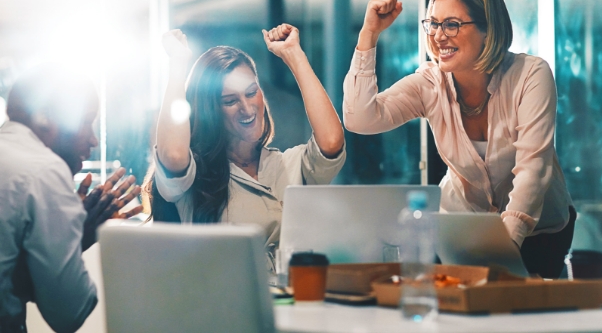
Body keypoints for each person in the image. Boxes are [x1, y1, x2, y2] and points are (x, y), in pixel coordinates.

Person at [343, 0, 575, 278]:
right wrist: (369, 34)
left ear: (487, 30)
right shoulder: (429, 83)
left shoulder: (530, 74)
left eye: (452, 24)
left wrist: (502, 250)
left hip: (539, 231)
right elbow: (360, 118)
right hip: (464, 229)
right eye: (433, 24)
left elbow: (533, 169)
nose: (439, 36)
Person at [146, 25, 345, 269]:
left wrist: (294, 54)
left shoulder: (288, 164)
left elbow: (332, 140)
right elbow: (174, 154)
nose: (247, 108)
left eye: (251, 93)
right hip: (227, 304)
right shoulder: (195, 175)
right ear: (210, 110)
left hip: (296, 303)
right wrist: (178, 65)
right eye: (230, 101)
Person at [0, 72, 141, 332]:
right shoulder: (44, 170)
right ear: (44, 118)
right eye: (86, 121)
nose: (93, 139)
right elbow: (70, 314)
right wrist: (76, 237)